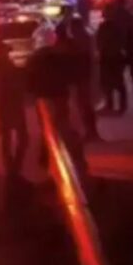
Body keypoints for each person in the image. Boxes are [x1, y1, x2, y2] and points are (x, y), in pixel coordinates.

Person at [25, 24, 85, 173]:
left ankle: (47, 156)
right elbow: (70, 74)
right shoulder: (59, 56)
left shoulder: (34, 59)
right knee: (62, 124)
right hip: (59, 95)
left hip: (43, 97)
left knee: (48, 126)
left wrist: (32, 93)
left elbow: (28, 81)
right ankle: (63, 154)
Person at [0, 41, 29, 181]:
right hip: (6, 104)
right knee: (14, 137)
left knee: (14, 137)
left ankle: (13, 166)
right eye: (6, 51)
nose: (7, 54)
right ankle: (13, 167)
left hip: (10, 104)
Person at [68, 16, 100, 141]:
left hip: (82, 77)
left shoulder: (80, 40)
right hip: (83, 76)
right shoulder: (85, 38)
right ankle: (90, 132)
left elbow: (83, 59)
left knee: (84, 105)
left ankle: (91, 132)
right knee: (84, 105)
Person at [96, 1, 129, 114]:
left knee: (115, 82)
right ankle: (113, 105)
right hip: (111, 56)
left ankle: (117, 105)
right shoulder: (108, 26)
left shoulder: (112, 26)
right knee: (109, 82)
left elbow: (100, 42)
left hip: (112, 57)